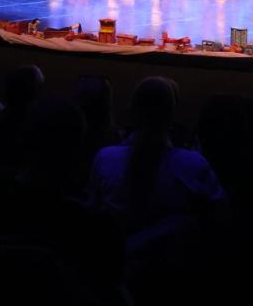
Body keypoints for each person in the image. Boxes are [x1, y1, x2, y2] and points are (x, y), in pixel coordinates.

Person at [88, 77, 225, 234]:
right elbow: (219, 216)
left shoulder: (105, 158)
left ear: (131, 112)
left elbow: (92, 211)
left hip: (113, 246)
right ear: (172, 116)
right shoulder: (193, 164)